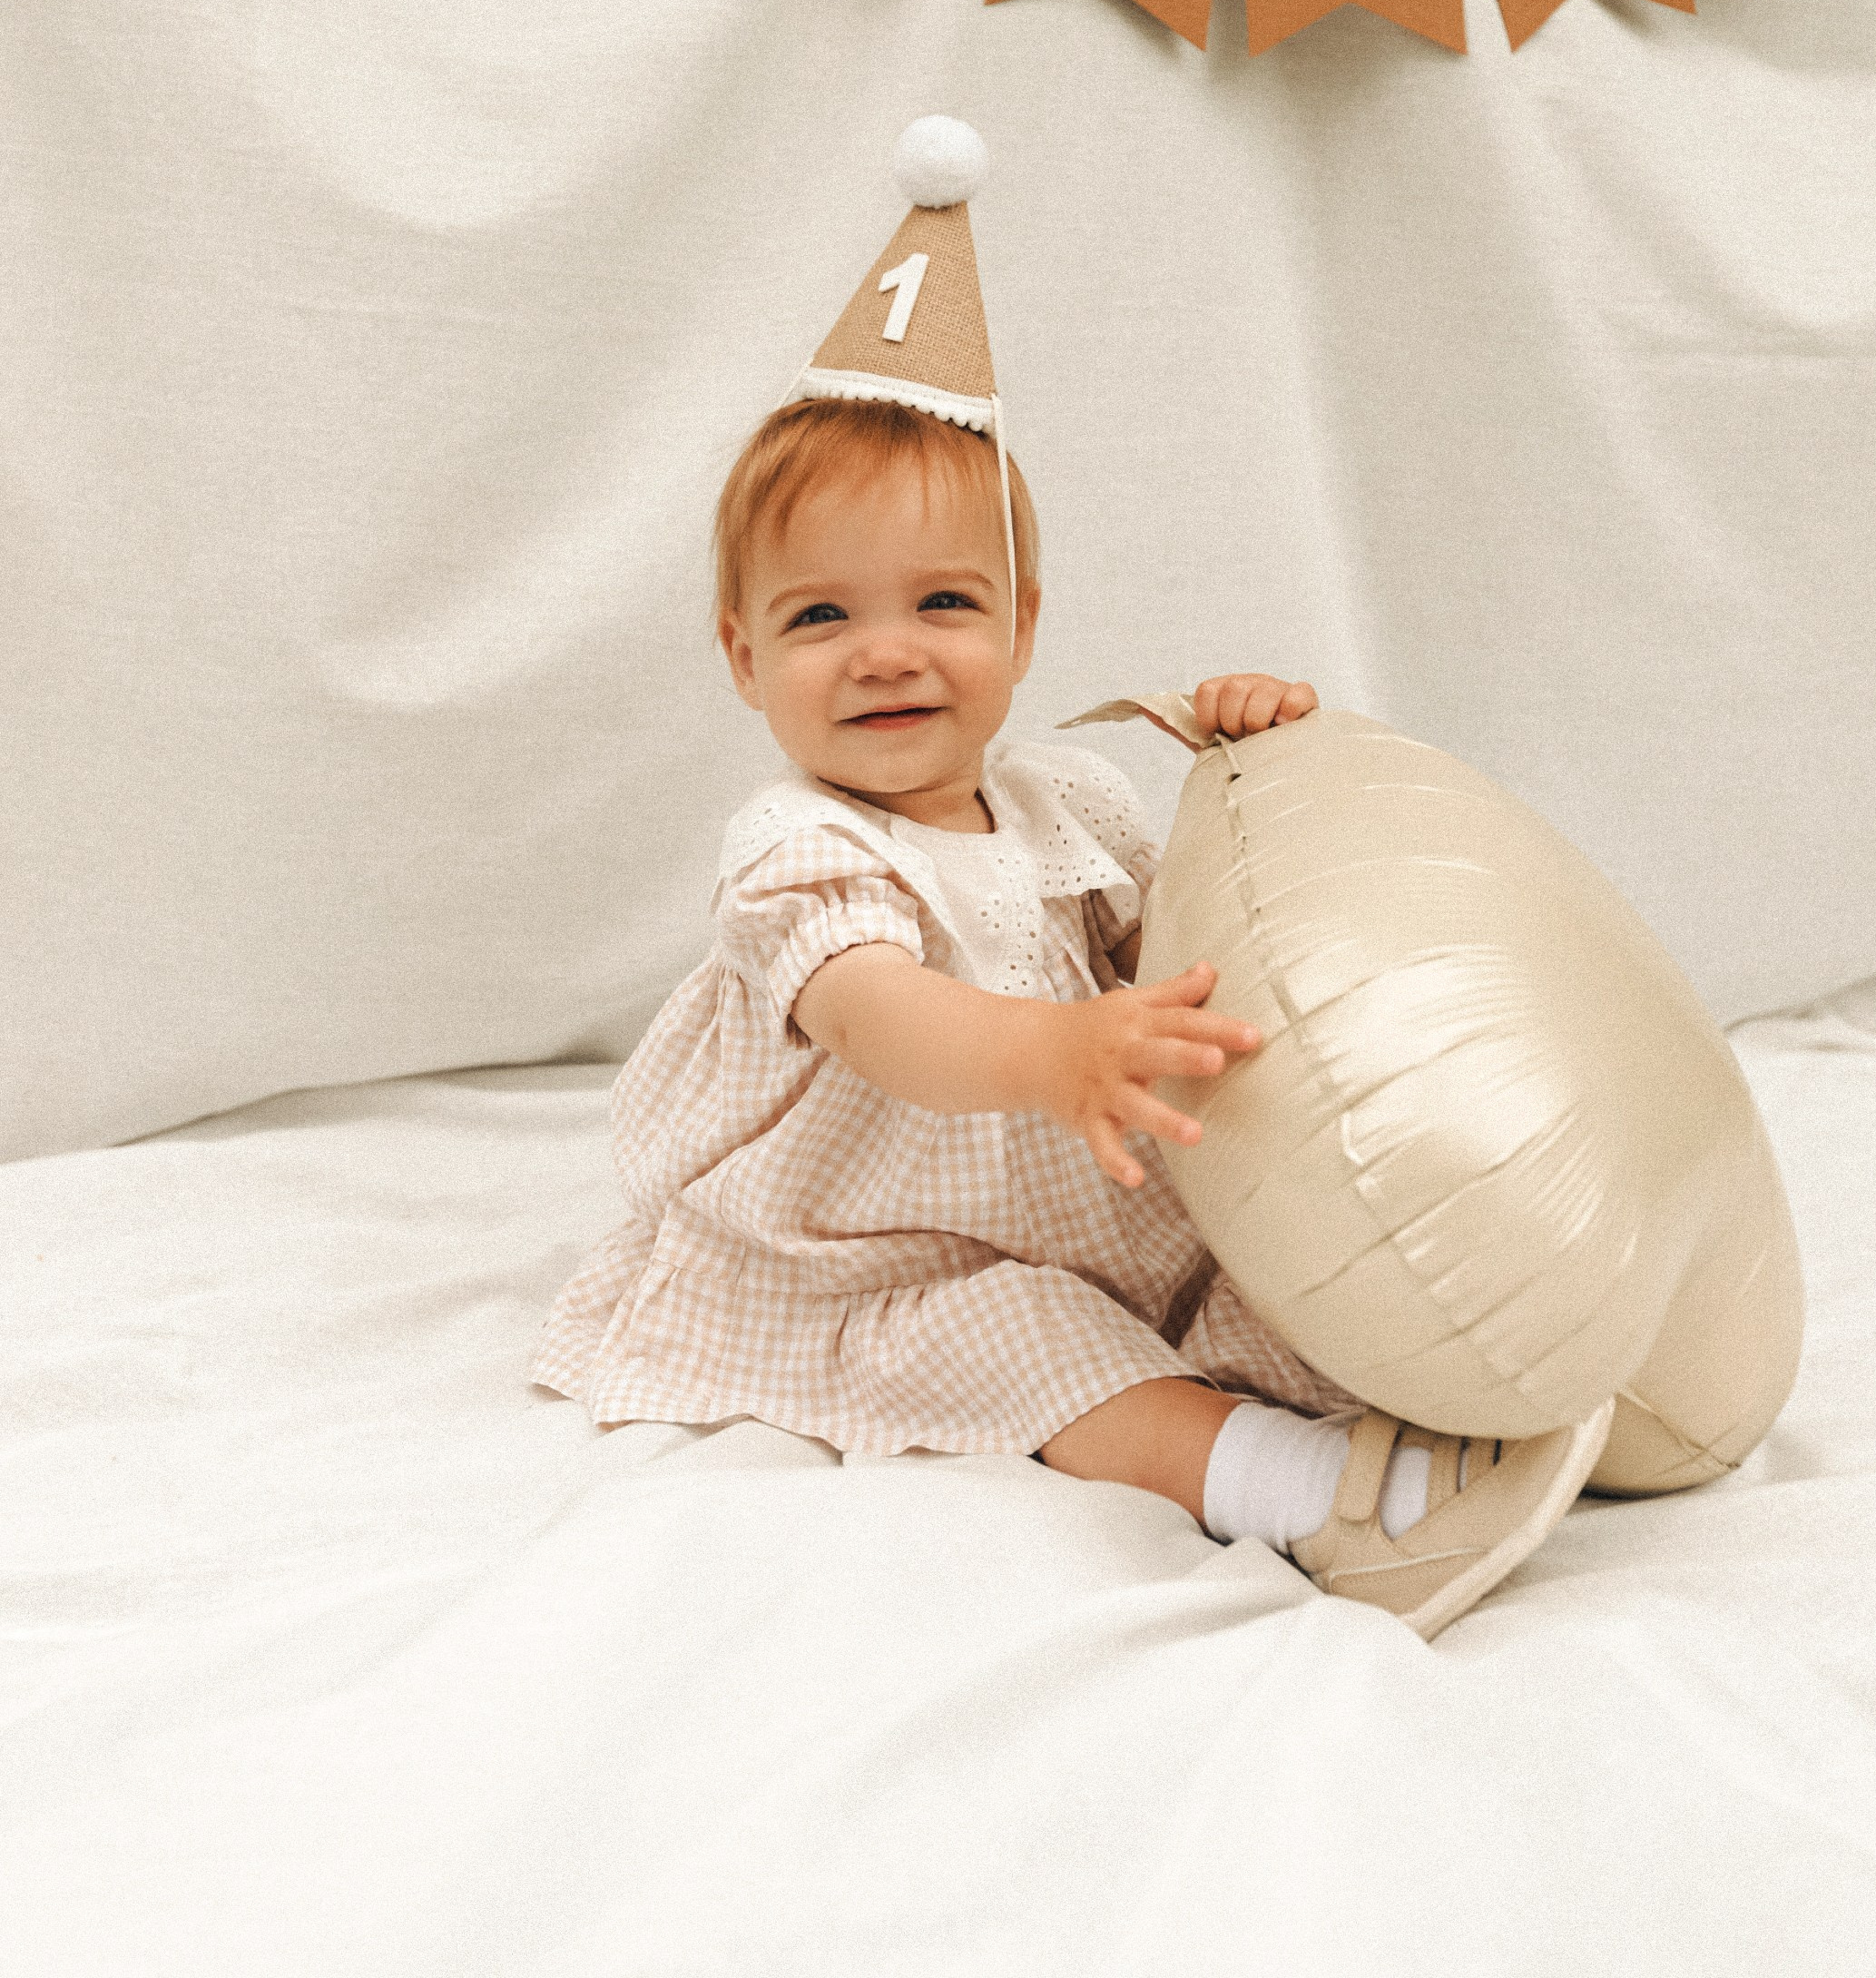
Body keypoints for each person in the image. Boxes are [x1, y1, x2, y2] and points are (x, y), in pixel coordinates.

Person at [533, 127, 1612, 1639]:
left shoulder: (1072, 799)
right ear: (744, 657)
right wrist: (1051, 1053)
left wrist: (1248, 763)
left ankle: (1455, 1388)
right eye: (823, 613)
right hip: (869, 1251)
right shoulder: (800, 850)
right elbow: (877, 1019)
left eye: (945, 603)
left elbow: (1203, 946)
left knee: (1249, 1268)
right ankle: (1310, 1501)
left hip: (1085, 1186)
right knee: (1034, 1342)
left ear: (1025, 629)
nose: (888, 650)